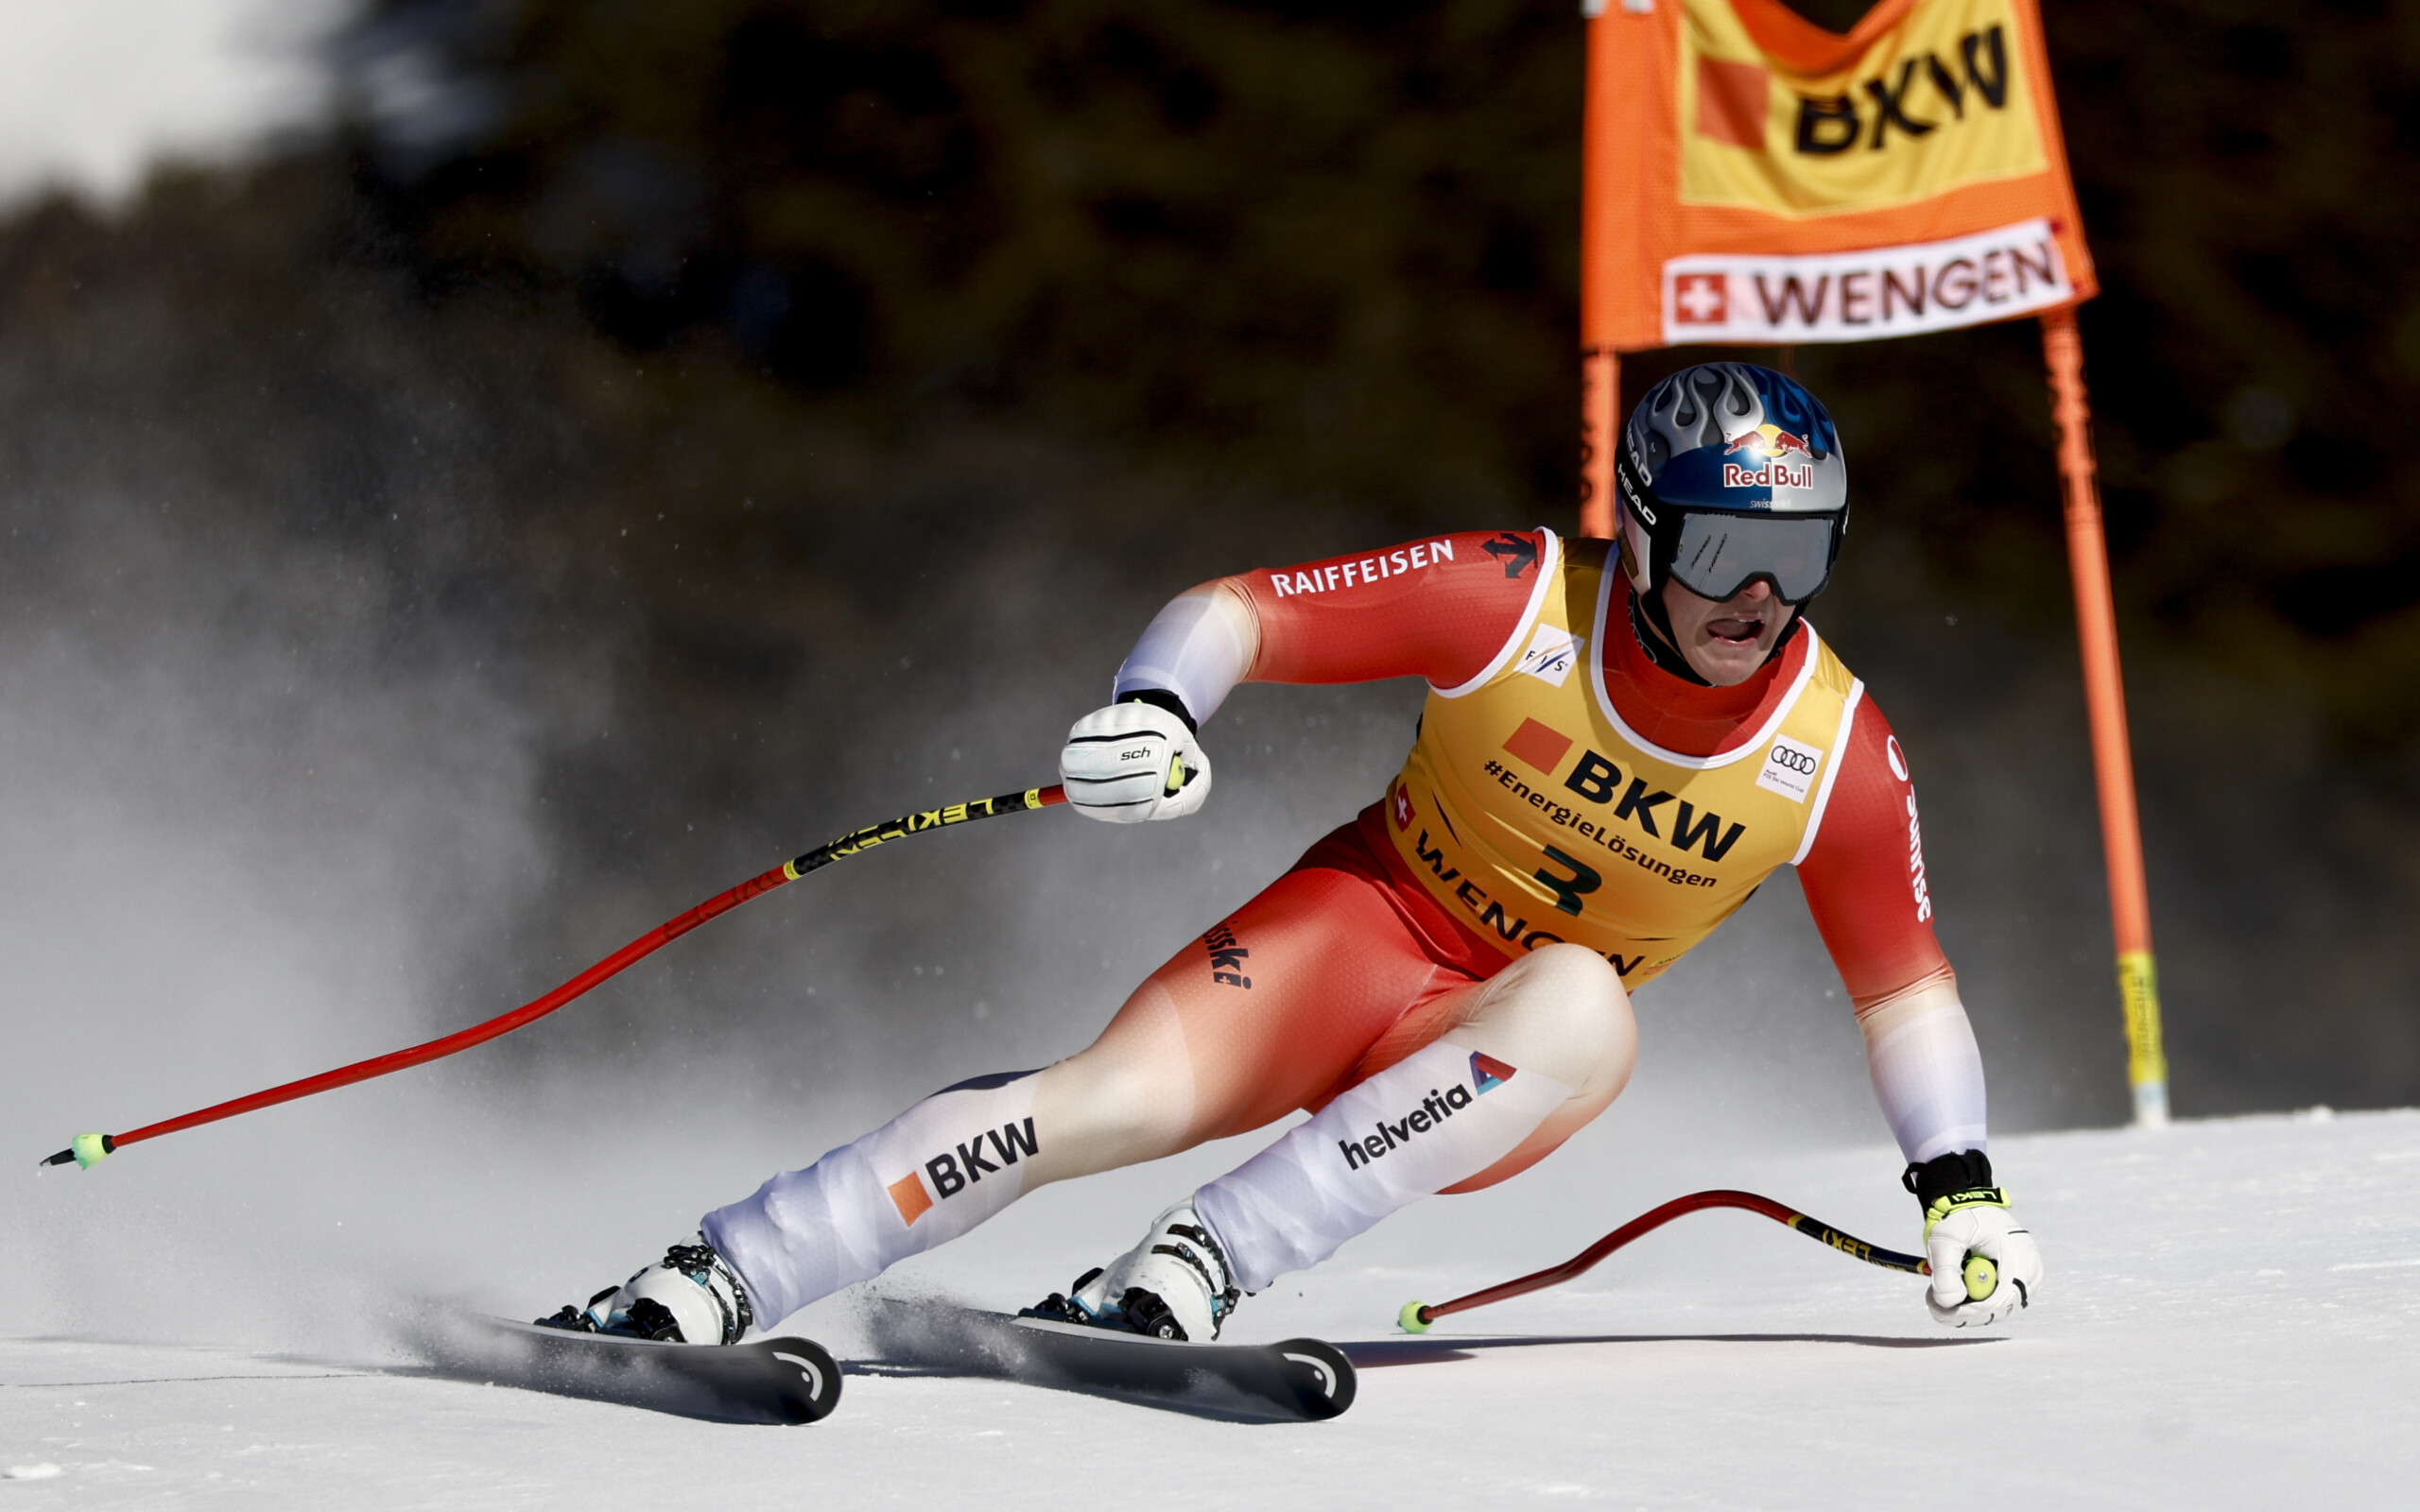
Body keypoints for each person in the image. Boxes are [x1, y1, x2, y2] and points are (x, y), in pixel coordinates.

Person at [541, 362, 2043, 1348]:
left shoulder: (1835, 751)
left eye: (1805, 556)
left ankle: (1201, 1265)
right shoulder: (1512, 599)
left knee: (1585, 998)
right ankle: (721, 1276)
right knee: (1101, 1104)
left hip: (1508, 1043)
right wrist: (1155, 709)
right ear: (1641, 538)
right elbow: (1238, 610)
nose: (1760, 600)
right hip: (1358, 929)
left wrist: (1959, 1187)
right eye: (1722, 551)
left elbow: (1903, 988)